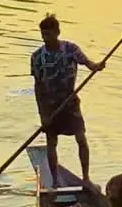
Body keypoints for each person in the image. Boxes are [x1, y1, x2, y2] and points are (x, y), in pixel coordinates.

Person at [30, 13, 105, 194]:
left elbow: (87, 63)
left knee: (81, 138)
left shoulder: (70, 49)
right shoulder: (37, 57)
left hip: (70, 103)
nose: (45, 38)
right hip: (50, 106)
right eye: (43, 34)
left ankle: (86, 178)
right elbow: (38, 87)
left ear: (57, 32)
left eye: (48, 34)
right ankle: (55, 182)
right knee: (51, 142)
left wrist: (96, 66)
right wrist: (43, 115)